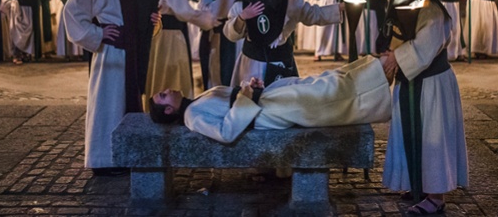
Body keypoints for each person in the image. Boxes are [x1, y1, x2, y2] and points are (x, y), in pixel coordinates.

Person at [379, 0, 468, 215]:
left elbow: (426, 46)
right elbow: (393, 34)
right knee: (407, 135)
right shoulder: (400, 4)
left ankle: (435, 196)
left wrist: (393, 61)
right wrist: (385, 51)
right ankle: (413, 184)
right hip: (409, 84)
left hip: (430, 86)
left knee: (432, 139)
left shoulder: (433, 8)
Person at [63, 0, 159, 175]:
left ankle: (126, 155)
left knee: (125, 103)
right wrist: (98, 33)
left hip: (129, 52)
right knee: (109, 106)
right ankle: (105, 159)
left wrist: (149, 18)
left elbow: (131, 14)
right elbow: (72, 12)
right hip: (111, 55)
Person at [149, 55, 391, 144]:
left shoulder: (195, 102)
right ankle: (378, 76)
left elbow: (233, 98)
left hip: (265, 101)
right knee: (324, 93)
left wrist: (248, 88)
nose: (167, 89)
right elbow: (226, 132)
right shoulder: (193, 117)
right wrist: (245, 98)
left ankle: (374, 69)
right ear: (169, 110)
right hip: (266, 114)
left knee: (318, 82)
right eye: (163, 95)